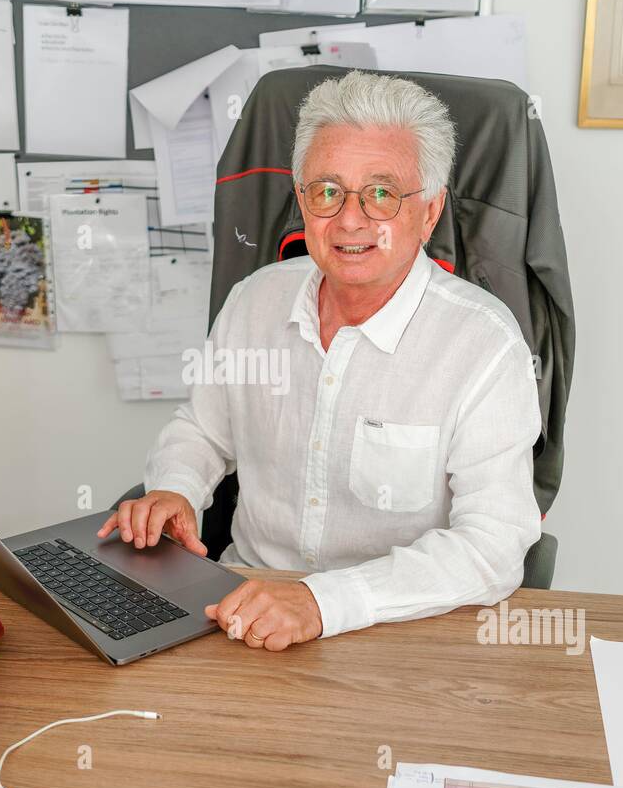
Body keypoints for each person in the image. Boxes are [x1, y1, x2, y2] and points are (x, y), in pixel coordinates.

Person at [99, 70, 541, 652]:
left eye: (382, 193)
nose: (351, 220)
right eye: (327, 191)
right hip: (239, 609)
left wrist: (321, 602)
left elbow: (493, 546)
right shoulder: (255, 302)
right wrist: (178, 490)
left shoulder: (482, 345)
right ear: (303, 201)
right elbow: (203, 430)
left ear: (429, 213)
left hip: (397, 628)